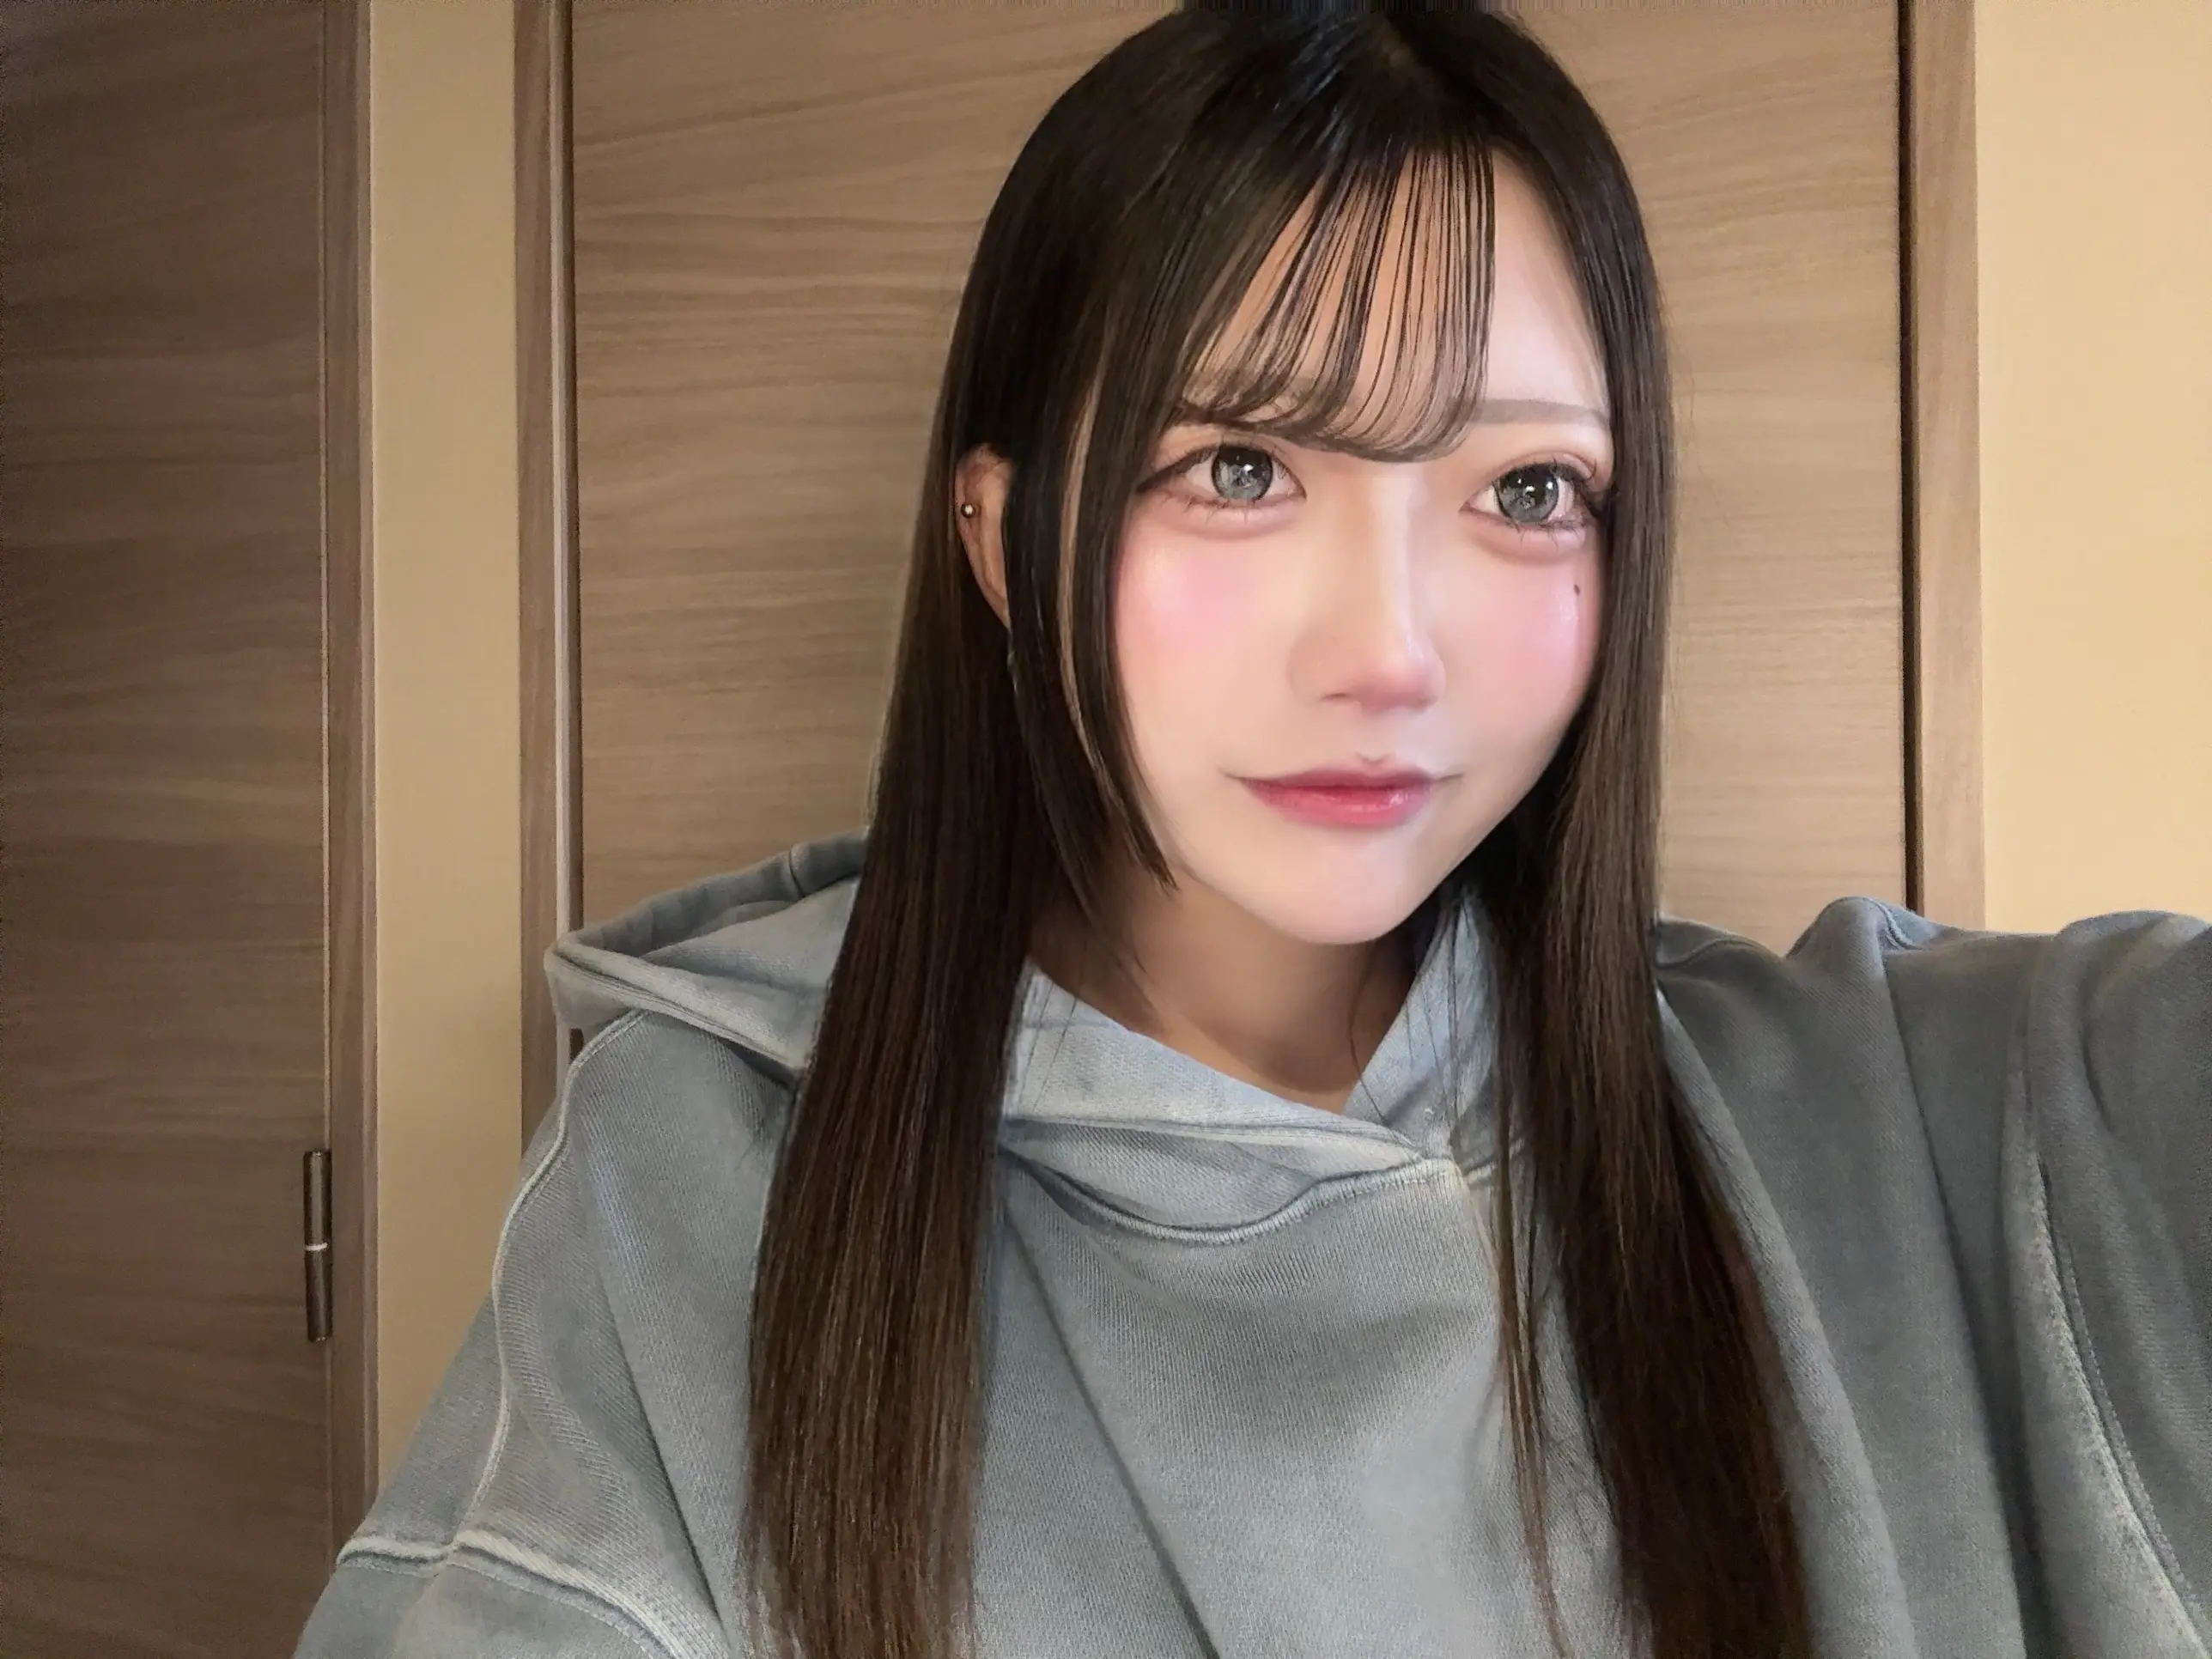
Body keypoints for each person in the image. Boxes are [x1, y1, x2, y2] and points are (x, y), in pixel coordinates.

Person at [295, 9, 2211, 1659]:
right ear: (1000, 540)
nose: (1387, 654)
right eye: (1236, 466)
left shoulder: (1953, 1119)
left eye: (1526, 490)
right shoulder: (695, 1184)